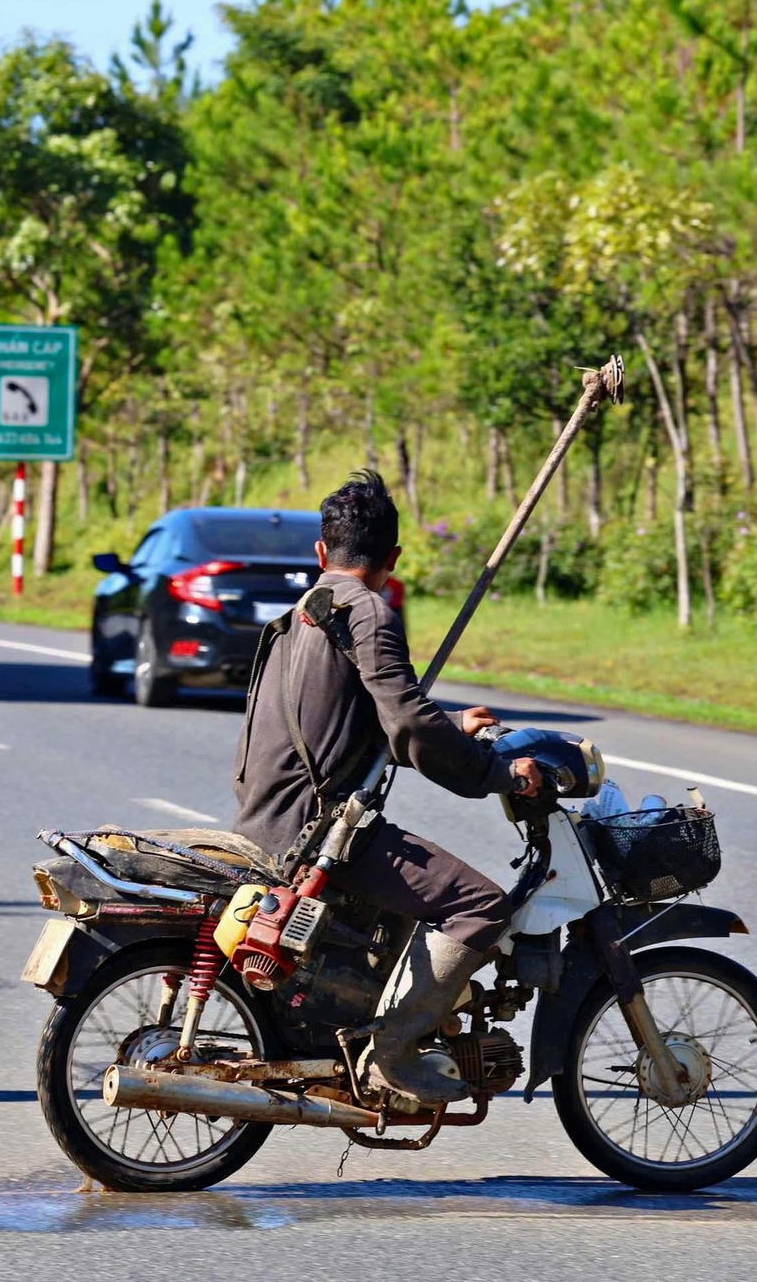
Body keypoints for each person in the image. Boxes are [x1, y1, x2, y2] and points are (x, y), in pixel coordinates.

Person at [234, 469, 540, 1104]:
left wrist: (453, 723)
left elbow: (360, 717)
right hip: (318, 835)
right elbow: (404, 723)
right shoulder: (368, 610)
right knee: (482, 906)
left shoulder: (298, 617)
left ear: (321, 552)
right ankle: (392, 1053)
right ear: (393, 559)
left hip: (267, 818)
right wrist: (495, 772)